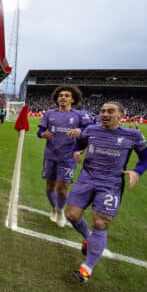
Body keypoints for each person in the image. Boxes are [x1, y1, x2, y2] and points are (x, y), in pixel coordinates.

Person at [66, 101, 147, 282]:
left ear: (121, 115)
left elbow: (146, 159)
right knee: (72, 215)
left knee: (100, 222)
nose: (105, 114)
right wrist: (77, 151)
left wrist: (137, 171)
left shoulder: (134, 135)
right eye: (103, 111)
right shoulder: (90, 130)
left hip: (110, 184)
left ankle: (86, 269)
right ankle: (88, 238)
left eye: (110, 111)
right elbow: (79, 143)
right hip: (86, 178)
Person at [37, 85, 91, 227]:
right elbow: (40, 131)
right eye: (60, 95)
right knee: (50, 187)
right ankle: (54, 208)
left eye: (67, 95)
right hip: (50, 155)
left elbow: (90, 129)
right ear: (57, 98)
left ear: (73, 99)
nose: (63, 98)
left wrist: (80, 129)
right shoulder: (49, 113)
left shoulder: (80, 115)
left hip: (68, 157)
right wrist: (43, 134)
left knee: (62, 189)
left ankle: (60, 211)